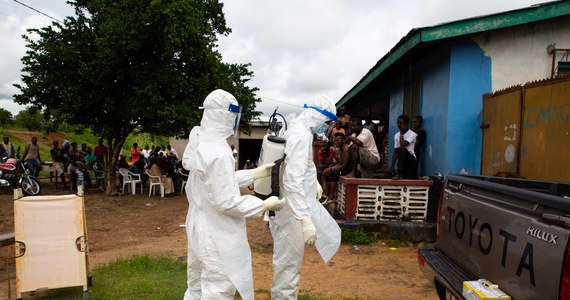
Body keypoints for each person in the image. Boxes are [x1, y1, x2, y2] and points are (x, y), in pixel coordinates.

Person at [181, 89, 285, 300]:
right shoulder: (219, 152)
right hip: (216, 232)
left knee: (196, 287)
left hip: (198, 225)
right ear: (225, 115)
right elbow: (226, 202)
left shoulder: (201, 139)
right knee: (217, 289)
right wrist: (264, 205)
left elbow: (217, 181)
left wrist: (252, 174)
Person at [268, 96, 341, 299]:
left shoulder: (296, 129)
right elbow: (292, 181)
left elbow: (298, 166)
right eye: (327, 123)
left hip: (287, 207)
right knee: (288, 265)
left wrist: (313, 182)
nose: (326, 127)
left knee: (286, 263)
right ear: (319, 117)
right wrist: (304, 219)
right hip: (291, 212)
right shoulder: (302, 135)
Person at [321, 132, 352, 206]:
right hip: (342, 167)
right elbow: (339, 162)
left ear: (343, 140)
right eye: (335, 140)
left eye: (338, 140)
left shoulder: (346, 149)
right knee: (327, 172)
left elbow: (344, 165)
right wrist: (330, 168)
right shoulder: (341, 149)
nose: (335, 142)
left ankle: (331, 197)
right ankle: (329, 196)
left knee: (333, 173)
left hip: (348, 169)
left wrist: (332, 169)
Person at [391, 114, 418, 179]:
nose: (399, 125)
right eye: (398, 123)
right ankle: (399, 173)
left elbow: (403, 145)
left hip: (411, 159)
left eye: (401, 123)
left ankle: (399, 174)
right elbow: (396, 151)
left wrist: (401, 134)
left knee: (402, 149)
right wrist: (392, 166)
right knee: (399, 151)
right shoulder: (396, 135)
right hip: (402, 160)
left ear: (406, 124)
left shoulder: (412, 134)